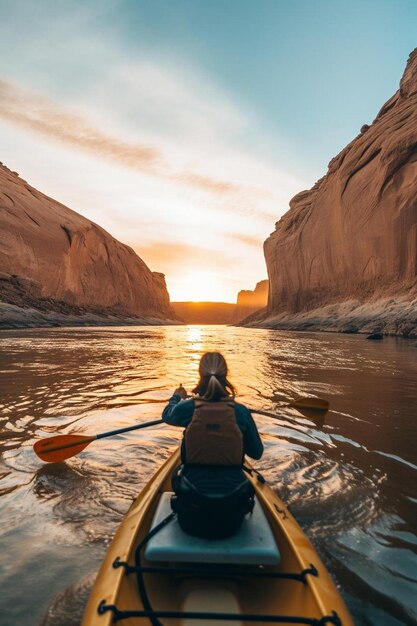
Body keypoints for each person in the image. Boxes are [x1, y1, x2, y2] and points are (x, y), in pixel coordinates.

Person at [162, 351, 263, 539]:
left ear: (200, 375)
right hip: (231, 519)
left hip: (191, 516)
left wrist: (176, 397)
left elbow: (167, 415)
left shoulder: (187, 408)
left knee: (176, 475)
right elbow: (257, 453)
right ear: (226, 376)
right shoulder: (240, 412)